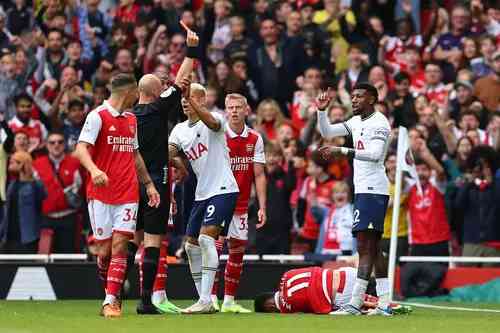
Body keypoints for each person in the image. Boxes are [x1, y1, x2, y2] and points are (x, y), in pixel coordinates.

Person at [74, 73, 160, 318]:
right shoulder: (97, 116)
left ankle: (111, 301)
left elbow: (134, 156)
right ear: (129, 92)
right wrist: (94, 170)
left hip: (128, 193)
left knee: (121, 246)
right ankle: (110, 287)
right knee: (104, 252)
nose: (138, 96)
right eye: (136, 92)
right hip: (101, 194)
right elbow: (80, 149)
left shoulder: (131, 119)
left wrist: (149, 185)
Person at [127, 20, 196, 315]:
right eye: (161, 83)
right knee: (153, 240)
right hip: (155, 180)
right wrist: (191, 47)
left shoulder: (129, 116)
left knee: (132, 238)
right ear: (156, 92)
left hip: (130, 182)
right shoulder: (158, 107)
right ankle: (145, 300)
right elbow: (182, 80)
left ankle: (111, 293)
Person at [316, 83, 392, 316]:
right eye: (353, 97)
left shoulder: (380, 123)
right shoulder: (356, 122)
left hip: (374, 189)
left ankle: (355, 303)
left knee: (364, 246)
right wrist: (321, 111)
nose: (355, 100)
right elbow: (327, 132)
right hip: (363, 189)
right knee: (374, 247)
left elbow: (376, 155)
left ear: (372, 99)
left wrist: (343, 151)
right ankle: (385, 303)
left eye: (359, 96)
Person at [168, 83, 239, 314]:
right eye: (184, 99)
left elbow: (212, 123)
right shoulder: (179, 129)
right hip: (202, 193)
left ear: (202, 99)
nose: (185, 102)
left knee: (207, 240)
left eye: (191, 98)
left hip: (223, 188)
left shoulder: (216, 120)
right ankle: (203, 299)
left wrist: (196, 104)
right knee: (190, 246)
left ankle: (207, 299)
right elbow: (168, 151)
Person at [210, 93, 266, 313]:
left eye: (238, 107)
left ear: (246, 110)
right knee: (213, 250)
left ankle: (229, 301)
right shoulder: (218, 135)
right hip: (219, 200)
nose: (234, 111)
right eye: (230, 107)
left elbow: (259, 175)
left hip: (241, 204)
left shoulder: (255, 138)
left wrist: (262, 207)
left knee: (237, 251)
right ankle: (211, 297)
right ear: (225, 111)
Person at [253, 266, 410, 315]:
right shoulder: (286, 275)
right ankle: (385, 302)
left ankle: (378, 306)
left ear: (269, 306)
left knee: (335, 308)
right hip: (348, 272)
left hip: (343, 294)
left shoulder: (287, 307)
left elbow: (318, 307)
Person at [33, 131, 82, 254]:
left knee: (68, 255)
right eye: (52, 142)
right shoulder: (37, 164)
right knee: (43, 256)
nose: (56, 145)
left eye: (60, 142)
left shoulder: (75, 163)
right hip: (45, 218)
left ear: (65, 144)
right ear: (47, 145)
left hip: (68, 217)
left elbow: (81, 188)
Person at [0, 151, 46, 254]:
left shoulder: (34, 185)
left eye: (14, 162)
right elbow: (7, 211)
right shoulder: (12, 184)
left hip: (27, 237)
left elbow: (43, 195)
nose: (10, 163)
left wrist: (32, 174)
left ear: (22, 163)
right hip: (9, 237)